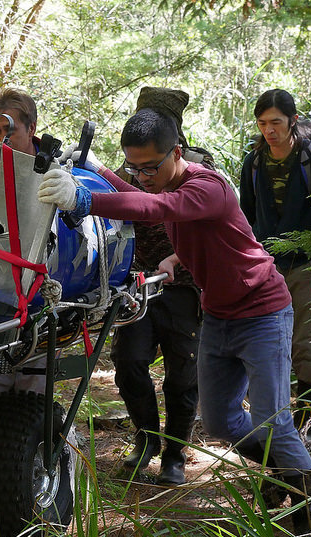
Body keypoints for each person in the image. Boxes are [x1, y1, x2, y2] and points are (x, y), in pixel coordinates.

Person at [38, 108, 311, 537]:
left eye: (150, 167)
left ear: (177, 151)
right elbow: (148, 202)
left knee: (273, 419)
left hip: (263, 313)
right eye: (133, 168)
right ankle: (296, 469)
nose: (142, 176)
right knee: (221, 421)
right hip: (218, 316)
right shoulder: (161, 182)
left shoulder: (207, 185)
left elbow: (159, 207)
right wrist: (98, 171)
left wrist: (84, 199)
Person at [106, 87, 201, 486]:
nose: (142, 174)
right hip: (139, 282)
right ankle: (145, 437)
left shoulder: (197, 167)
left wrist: (177, 259)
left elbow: (206, 226)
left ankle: (175, 453)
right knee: (128, 361)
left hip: (183, 282)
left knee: (183, 372)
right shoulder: (133, 165)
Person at [239, 90, 311, 443]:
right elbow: (245, 220)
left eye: (276, 123)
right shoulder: (252, 163)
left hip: (307, 266)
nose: (269, 130)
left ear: (292, 121)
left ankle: (306, 426)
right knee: (268, 346)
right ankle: (275, 424)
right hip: (266, 268)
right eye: (263, 123)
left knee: (307, 347)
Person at [0, 88, 47, 397]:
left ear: (32, 129)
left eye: (11, 131)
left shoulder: (54, 171)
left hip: (39, 300)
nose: (2, 139)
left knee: (33, 390)